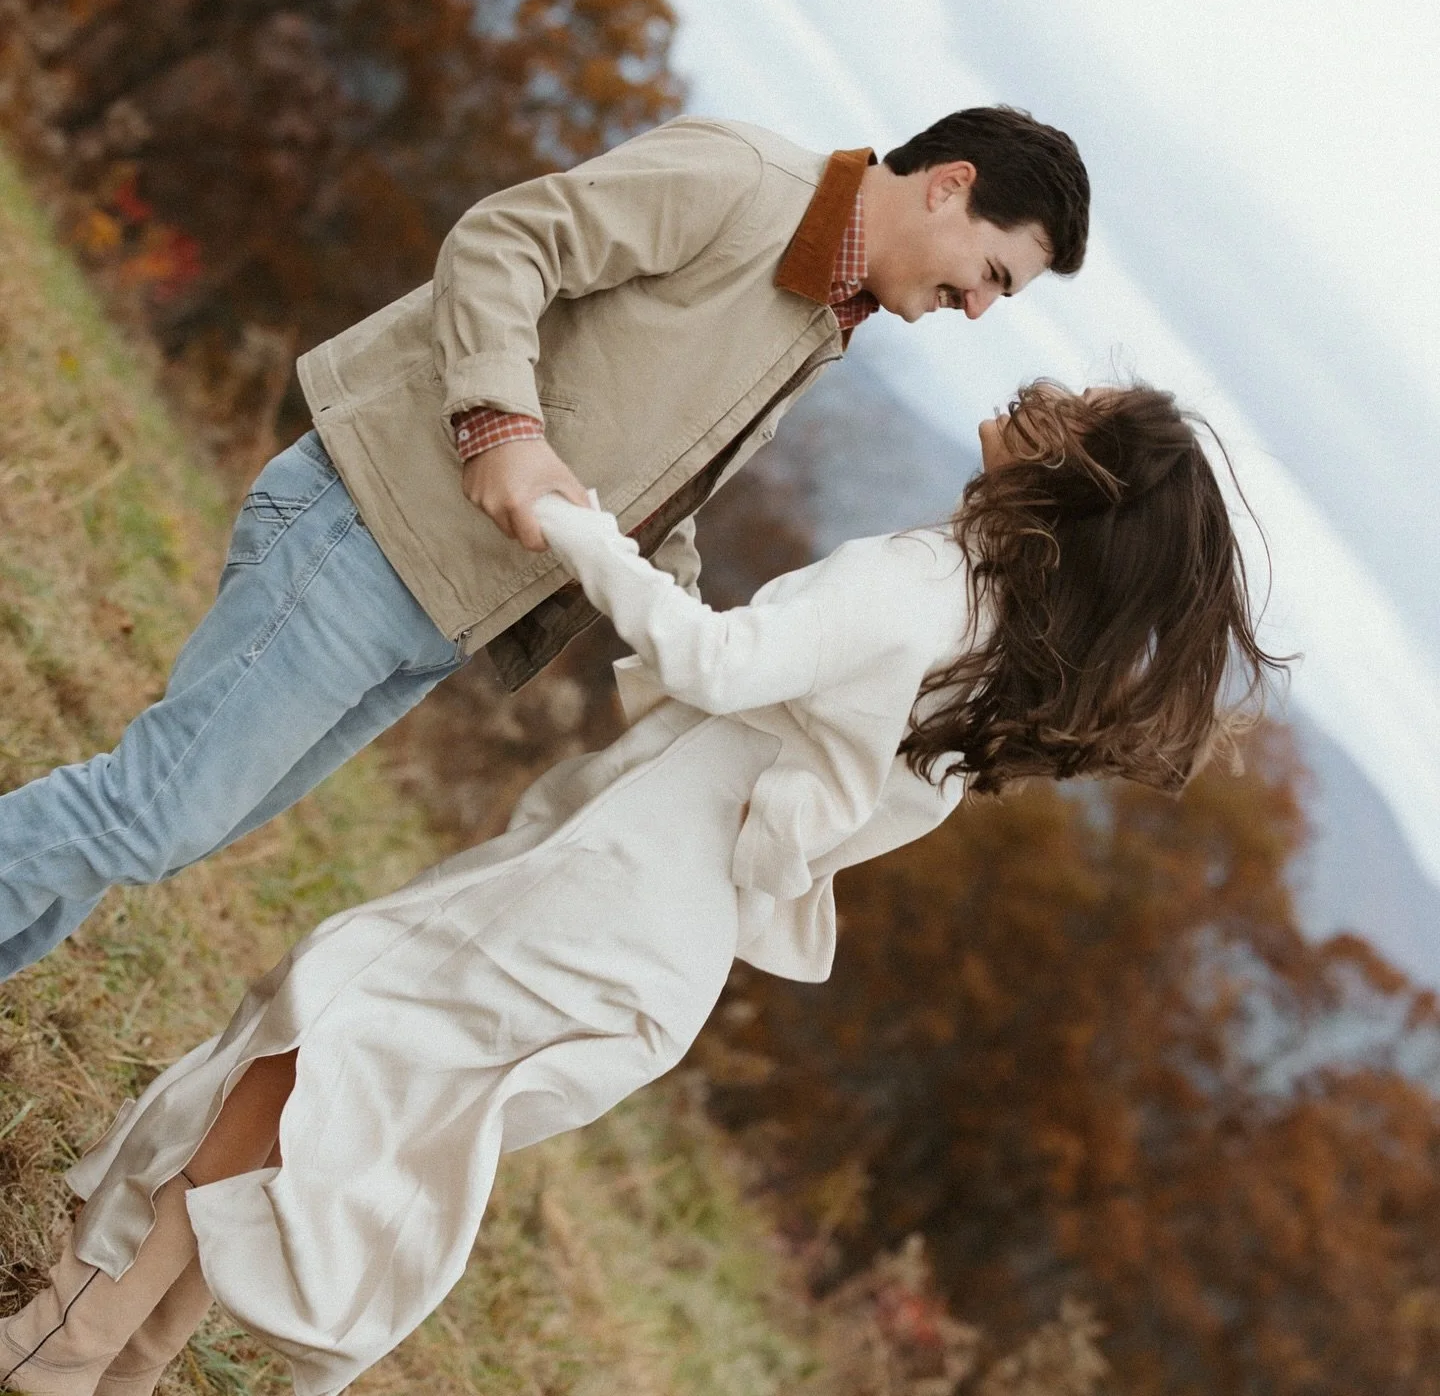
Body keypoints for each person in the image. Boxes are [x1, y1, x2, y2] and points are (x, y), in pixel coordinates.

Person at [0, 381, 1280, 1396]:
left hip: (597, 899)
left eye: (1081, 411)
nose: (1045, 390)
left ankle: (60, 1350)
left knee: (309, 1046)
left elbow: (714, 665)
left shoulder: (925, 584)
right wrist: (664, 556)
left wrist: (566, 514)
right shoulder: (988, 667)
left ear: (1077, 482)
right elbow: (769, 730)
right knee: (323, 1097)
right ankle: (115, 1362)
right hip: (661, 953)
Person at [0, 107, 1089, 978]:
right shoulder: (746, 182)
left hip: (439, 604)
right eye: (996, 275)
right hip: (369, 531)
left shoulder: (820, 316)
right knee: (147, 814)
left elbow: (660, 491)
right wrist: (498, 423)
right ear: (949, 187)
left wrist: (703, 641)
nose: (979, 309)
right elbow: (505, 241)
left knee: (164, 830)